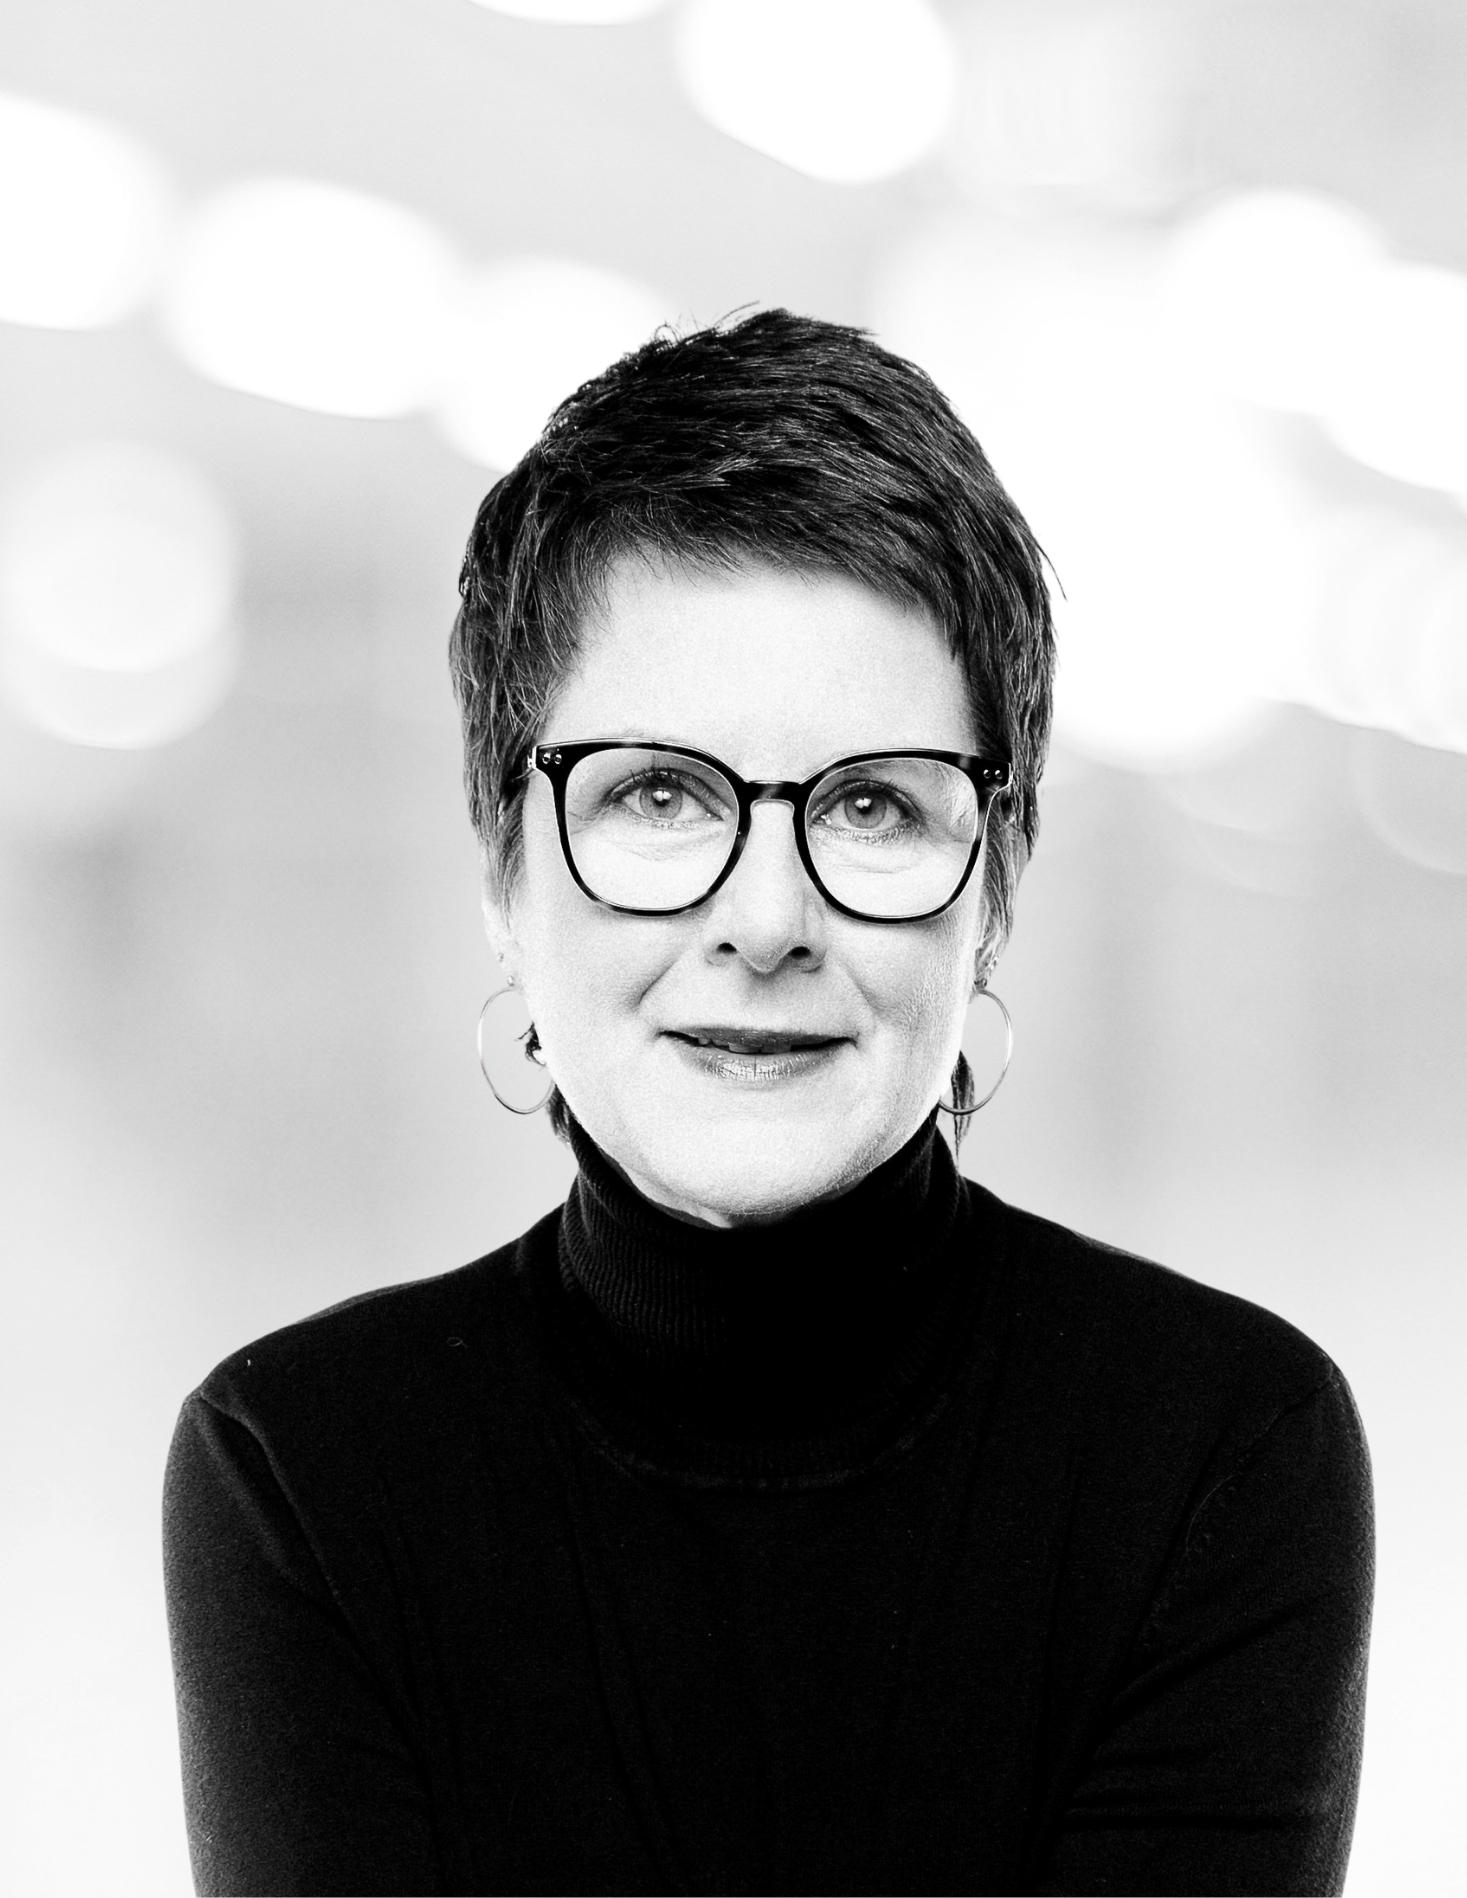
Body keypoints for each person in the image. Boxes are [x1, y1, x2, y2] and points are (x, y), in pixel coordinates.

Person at [162, 309, 1374, 1896]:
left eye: (871, 805)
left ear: (994, 887)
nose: (765, 917)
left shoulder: (1218, 1451)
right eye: (659, 793)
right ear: (503, 871)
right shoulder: (308, 1470)